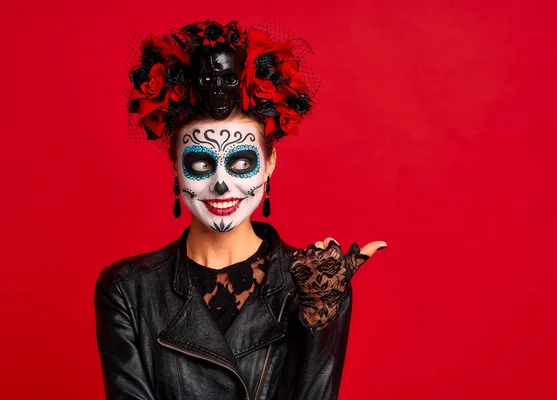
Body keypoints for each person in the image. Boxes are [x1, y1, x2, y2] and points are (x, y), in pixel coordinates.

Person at [94, 19, 387, 400]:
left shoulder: (317, 282)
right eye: (200, 164)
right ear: (174, 168)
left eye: (241, 163)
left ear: (269, 165)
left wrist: (320, 321)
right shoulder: (128, 289)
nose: (220, 184)